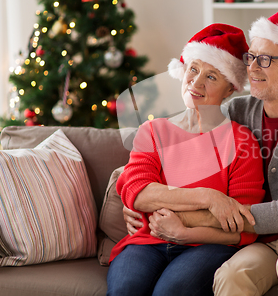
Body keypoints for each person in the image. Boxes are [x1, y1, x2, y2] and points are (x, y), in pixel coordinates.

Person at [125, 7, 278, 296]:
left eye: (266, 59)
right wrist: (133, 200)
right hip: (265, 240)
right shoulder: (238, 111)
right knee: (233, 275)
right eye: (252, 57)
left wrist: (179, 217)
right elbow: (172, 148)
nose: (253, 68)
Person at [107, 24, 265, 296]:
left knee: (171, 291)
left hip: (208, 247)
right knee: (125, 289)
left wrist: (181, 228)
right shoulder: (152, 131)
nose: (196, 82)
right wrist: (210, 198)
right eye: (193, 69)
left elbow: (243, 226)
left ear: (230, 90)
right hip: (147, 241)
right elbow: (139, 193)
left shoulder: (241, 142)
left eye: (212, 76)